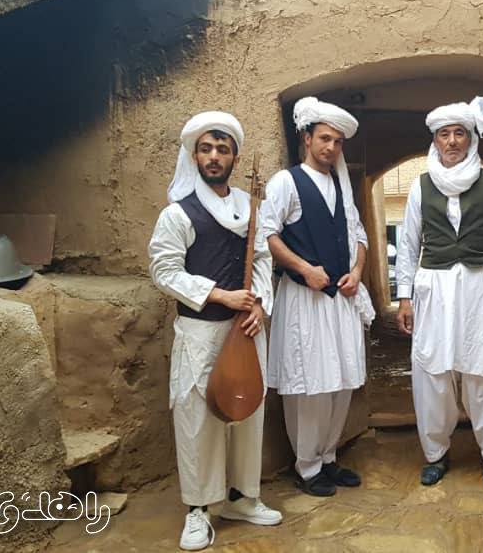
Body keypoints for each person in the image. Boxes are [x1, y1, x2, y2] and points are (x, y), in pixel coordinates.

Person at [149, 111, 282, 551]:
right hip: (201, 332)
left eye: (222, 150)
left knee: (247, 410)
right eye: (206, 149)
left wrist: (258, 304)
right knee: (198, 418)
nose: (213, 156)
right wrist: (220, 295)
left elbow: (261, 259)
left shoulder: (250, 206)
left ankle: (243, 498)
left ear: (235, 159)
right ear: (194, 156)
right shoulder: (178, 213)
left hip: (246, 328)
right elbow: (164, 271)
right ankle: (199, 508)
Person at [395, 96, 483, 491]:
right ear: (435, 140)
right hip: (434, 290)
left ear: (471, 139)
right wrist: (404, 297)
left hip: (480, 286)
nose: (451, 142)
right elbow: (408, 244)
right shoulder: (420, 186)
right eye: (444, 135)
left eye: (459, 134)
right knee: (434, 373)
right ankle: (436, 454)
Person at [259, 97, 375, 497]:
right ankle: (306, 467)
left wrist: (357, 272)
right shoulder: (286, 182)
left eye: (338, 142)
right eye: (324, 138)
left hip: (341, 299)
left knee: (340, 382)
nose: (331, 147)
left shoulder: (342, 187)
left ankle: (328, 457)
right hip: (304, 301)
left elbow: (359, 235)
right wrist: (305, 269)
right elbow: (267, 235)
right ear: (306, 138)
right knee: (310, 384)